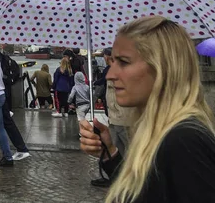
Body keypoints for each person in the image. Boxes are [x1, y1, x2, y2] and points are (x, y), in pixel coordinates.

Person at [80, 16, 215, 202]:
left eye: (124, 62)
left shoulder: (183, 142)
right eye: (112, 63)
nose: (110, 75)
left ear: (163, 67)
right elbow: (145, 190)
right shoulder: (163, 131)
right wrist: (110, 152)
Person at [90, 48, 136, 188]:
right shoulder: (112, 70)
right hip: (114, 117)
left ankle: (131, 179)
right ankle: (118, 178)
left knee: (127, 150)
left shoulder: (120, 72)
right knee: (115, 149)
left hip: (122, 118)